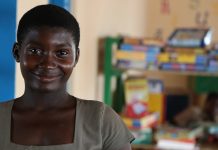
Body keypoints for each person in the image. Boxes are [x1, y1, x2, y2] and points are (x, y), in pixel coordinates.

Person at [0, 4, 134, 150]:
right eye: (35, 51)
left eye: (62, 53)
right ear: (17, 52)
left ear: (76, 57)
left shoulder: (101, 121)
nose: (48, 64)